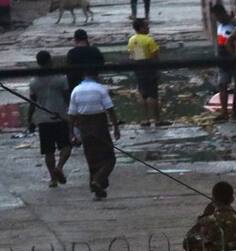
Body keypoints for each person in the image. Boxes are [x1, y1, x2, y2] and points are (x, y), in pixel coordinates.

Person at [68, 72, 120, 200]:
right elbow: (110, 109)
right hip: (99, 125)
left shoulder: (76, 90)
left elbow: (71, 114)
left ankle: (97, 190)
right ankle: (98, 180)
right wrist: (116, 127)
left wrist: (71, 133)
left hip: (84, 126)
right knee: (109, 158)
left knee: (92, 158)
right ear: (96, 77)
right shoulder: (100, 89)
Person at [28, 50, 71, 189]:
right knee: (66, 146)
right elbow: (67, 98)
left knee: (48, 151)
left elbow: (32, 103)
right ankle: (59, 167)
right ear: (49, 61)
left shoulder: (34, 81)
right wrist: (72, 114)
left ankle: (53, 179)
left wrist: (30, 120)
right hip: (60, 117)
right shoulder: (60, 78)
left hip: (43, 119)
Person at [127, 19, 170, 127]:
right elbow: (155, 55)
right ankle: (157, 120)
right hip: (149, 67)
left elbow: (133, 55)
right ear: (141, 28)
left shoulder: (132, 40)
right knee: (153, 94)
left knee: (142, 93)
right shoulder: (148, 40)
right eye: (146, 26)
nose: (148, 28)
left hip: (138, 67)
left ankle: (145, 119)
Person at [212, 4, 235, 121]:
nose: (216, 19)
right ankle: (224, 111)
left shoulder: (232, 25)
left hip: (231, 59)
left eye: (216, 16)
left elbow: (230, 44)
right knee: (222, 85)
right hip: (222, 60)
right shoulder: (221, 25)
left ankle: (234, 111)